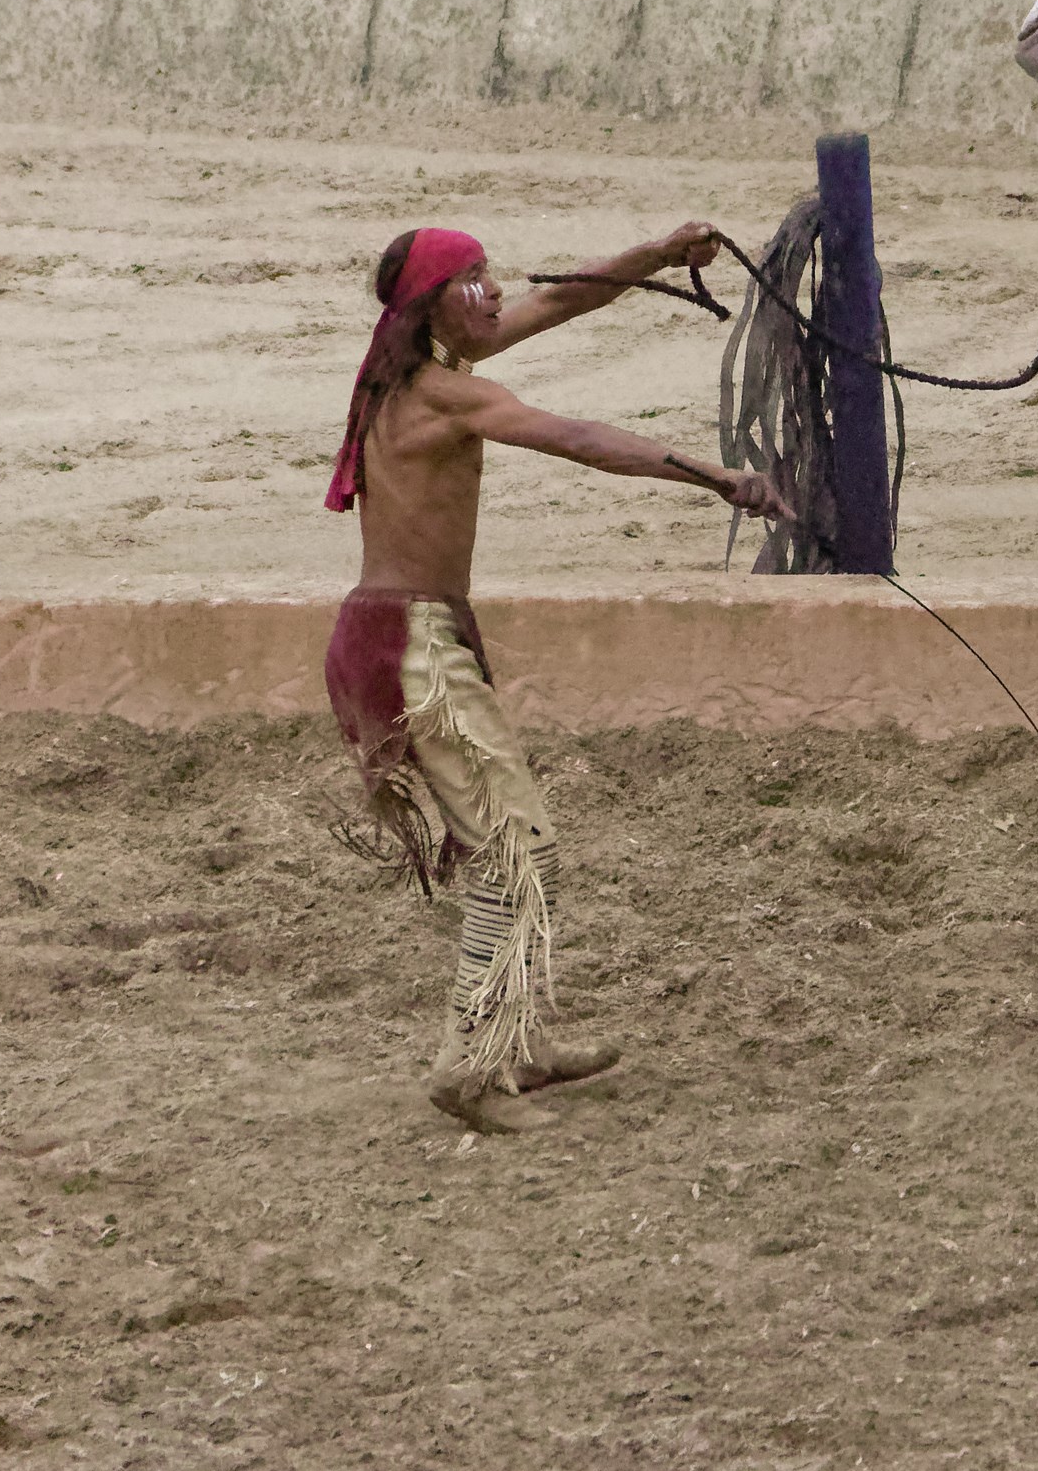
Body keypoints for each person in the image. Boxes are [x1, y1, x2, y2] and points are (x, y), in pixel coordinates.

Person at [324, 224, 792, 1134]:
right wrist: (716, 477)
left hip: (409, 632)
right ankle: (469, 1070)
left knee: (516, 843)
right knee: (513, 852)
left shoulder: (413, 368)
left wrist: (658, 253)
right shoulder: (446, 394)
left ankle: (518, 1044)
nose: (495, 290)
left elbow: (567, 296)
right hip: (410, 644)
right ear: (433, 304)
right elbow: (577, 439)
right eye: (474, 278)